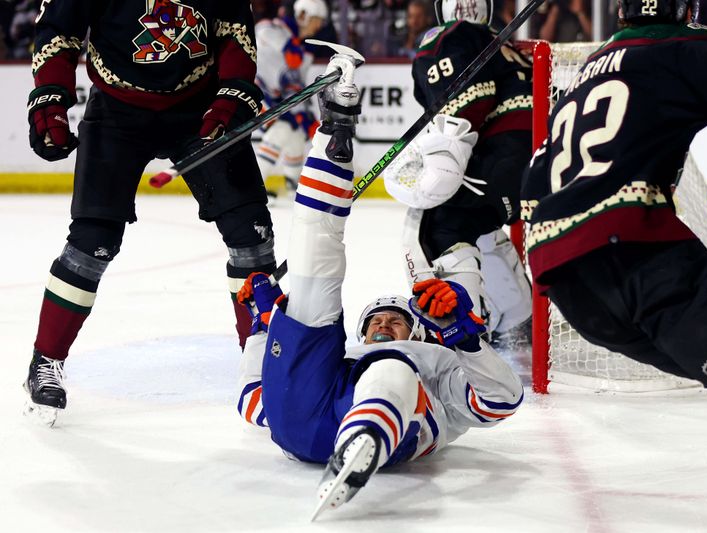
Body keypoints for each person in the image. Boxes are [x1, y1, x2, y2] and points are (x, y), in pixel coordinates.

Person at [521, 1, 707, 530]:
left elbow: (533, 189)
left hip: (570, 287)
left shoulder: (585, 74)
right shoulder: (685, 48)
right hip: (638, 255)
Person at [235, 51, 523, 517]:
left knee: (393, 371)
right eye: (378, 322)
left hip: (384, 427)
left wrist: (464, 340)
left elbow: (501, 402)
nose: (386, 325)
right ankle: (335, 127)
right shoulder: (344, 355)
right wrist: (267, 328)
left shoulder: (435, 362)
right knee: (312, 273)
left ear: (418, 332)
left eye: (396, 321)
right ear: (361, 332)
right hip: (303, 417)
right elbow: (256, 402)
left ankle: (359, 446)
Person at [24, 0, 275, 426]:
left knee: (250, 234)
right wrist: (49, 97)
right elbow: (58, 31)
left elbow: (234, 31)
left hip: (201, 106)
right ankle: (45, 359)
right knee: (92, 242)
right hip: (117, 111)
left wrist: (232, 93)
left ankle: (265, 360)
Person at [386, 0, 534, 347]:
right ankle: (518, 320)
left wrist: (444, 155)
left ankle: (461, 333)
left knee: (433, 224)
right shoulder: (505, 43)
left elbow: (462, 110)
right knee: (479, 224)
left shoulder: (447, 37)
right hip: (535, 164)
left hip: (504, 160)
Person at [254, 0, 328, 193]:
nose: (319, 25)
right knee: (282, 129)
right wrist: (285, 44)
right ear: (303, 15)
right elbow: (260, 31)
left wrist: (305, 115)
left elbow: (295, 87)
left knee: (296, 131)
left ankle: (292, 181)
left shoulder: (303, 53)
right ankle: (255, 186)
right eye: (317, 19)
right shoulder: (276, 29)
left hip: (274, 99)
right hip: (252, 92)